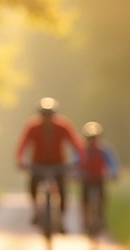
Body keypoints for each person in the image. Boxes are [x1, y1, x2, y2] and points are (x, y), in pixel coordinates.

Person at [15, 97, 84, 232]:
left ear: (55, 115)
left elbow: (76, 144)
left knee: (63, 191)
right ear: (40, 115)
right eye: (44, 115)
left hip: (58, 164)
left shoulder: (63, 126)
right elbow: (22, 146)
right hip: (38, 164)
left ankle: (61, 219)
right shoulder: (32, 127)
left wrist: (79, 160)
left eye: (50, 115)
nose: (47, 118)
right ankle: (36, 210)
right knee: (33, 186)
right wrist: (20, 160)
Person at [78, 121, 119, 232]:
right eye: (90, 138)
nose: (92, 141)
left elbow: (112, 163)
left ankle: (101, 220)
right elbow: (75, 162)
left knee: (102, 199)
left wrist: (114, 173)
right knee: (84, 200)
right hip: (86, 179)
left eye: (94, 138)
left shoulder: (104, 150)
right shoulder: (82, 150)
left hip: (99, 178)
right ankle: (85, 221)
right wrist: (76, 173)